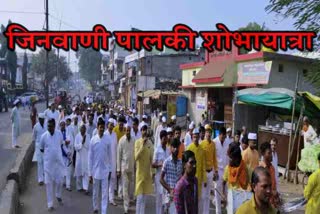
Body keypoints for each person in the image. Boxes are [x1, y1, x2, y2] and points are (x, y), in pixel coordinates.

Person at [39, 119, 65, 211]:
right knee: (49, 184)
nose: (49, 128)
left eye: (51, 126)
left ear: (54, 126)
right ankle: (50, 204)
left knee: (60, 181)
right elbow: (41, 149)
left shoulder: (59, 134)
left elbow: (61, 145)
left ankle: (58, 194)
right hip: (48, 165)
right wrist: (49, 156)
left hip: (58, 164)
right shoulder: (43, 136)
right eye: (48, 126)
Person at [88, 119, 112, 214]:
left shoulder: (108, 140)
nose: (101, 129)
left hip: (105, 171)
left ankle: (104, 211)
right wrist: (90, 173)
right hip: (95, 171)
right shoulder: (93, 140)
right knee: (95, 192)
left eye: (103, 127)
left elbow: (110, 156)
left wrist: (110, 170)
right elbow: (90, 158)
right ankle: (95, 208)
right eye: (100, 127)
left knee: (104, 194)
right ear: (97, 127)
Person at [223, 142, 252, 213]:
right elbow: (223, 182)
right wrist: (224, 195)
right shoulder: (227, 168)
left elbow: (252, 184)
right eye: (229, 158)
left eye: (231, 158)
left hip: (244, 202)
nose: (230, 160)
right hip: (231, 201)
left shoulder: (246, 168)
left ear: (237, 158)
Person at [134, 125, 154, 214]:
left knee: (144, 198)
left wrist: (152, 172)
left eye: (145, 130)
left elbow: (151, 158)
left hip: (147, 175)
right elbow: (136, 157)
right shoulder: (137, 142)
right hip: (139, 173)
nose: (144, 132)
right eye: (142, 130)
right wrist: (142, 145)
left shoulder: (150, 143)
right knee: (139, 198)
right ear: (140, 131)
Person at [160, 138, 183, 214]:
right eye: (174, 147)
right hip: (169, 196)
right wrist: (169, 189)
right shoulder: (166, 162)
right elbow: (161, 179)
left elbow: (182, 178)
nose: (176, 149)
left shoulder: (181, 162)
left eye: (177, 147)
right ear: (171, 148)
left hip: (179, 195)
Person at [187, 127, 206, 213]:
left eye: (197, 136)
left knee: (199, 200)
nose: (195, 138)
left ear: (199, 137)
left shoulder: (202, 149)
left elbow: (203, 165)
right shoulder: (189, 148)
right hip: (190, 178)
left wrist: (204, 179)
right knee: (190, 199)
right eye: (194, 137)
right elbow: (186, 164)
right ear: (192, 137)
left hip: (199, 179)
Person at [200, 124, 219, 214]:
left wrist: (216, 171)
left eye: (210, 132)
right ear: (205, 133)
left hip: (210, 172)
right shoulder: (201, 144)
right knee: (203, 195)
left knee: (208, 195)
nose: (208, 134)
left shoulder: (213, 144)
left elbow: (215, 158)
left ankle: (206, 212)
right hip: (203, 172)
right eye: (207, 132)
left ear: (211, 134)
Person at [117, 124, 135, 214]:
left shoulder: (133, 140)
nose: (128, 132)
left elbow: (135, 153)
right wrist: (118, 169)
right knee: (124, 187)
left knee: (130, 187)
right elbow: (118, 156)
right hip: (124, 167)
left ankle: (129, 201)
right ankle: (126, 207)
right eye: (126, 130)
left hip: (131, 167)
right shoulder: (121, 141)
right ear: (125, 130)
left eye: (129, 130)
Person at [152, 130, 170, 214]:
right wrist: (159, 164)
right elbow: (153, 164)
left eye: (166, 138)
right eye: (164, 139)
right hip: (159, 177)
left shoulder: (168, 149)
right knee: (159, 199)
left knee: (166, 199)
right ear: (161, 139)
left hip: (167, 177)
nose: (166, 140)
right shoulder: (157, 150)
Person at [213, 126, 230, 214]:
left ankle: (228, 210)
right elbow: (213, 158)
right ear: (219, 134)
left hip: (226, 169)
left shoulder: (228, 141)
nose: (223, 138)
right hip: (218, 169)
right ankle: (218, 211)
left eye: (224, 136)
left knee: (226, 190)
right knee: (217, 190)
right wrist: (214, 171)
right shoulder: (214, 142)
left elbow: (229, 155)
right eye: (222, 136)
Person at [259, 142, 281, 208]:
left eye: (271, 152)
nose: (271, 155)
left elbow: (274, 184)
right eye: (269, 153)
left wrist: (276, 195)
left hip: (272, 203)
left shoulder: (272, 168)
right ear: (263, 154)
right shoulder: (261, 169)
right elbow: (261, 189)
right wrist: (272, 193)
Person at [105, 118, 118, 206]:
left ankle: (111, 198)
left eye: (113, 125)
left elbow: (116, 148)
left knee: (112, 180)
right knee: (105, 179)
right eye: (110, 124)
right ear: (107, 125)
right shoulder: (105, 134)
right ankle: (105, 197)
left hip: (113, 160)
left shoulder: (114, 135)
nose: (111, 126)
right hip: (105, 161)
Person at [74, 124, 90, 195]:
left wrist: (84, 143)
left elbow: (89, 146)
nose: (83, 130)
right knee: (79, 171)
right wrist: (81, 143)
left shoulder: (88, 136)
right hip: (79, 156)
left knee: (86, 172)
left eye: (84, 128)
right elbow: (75, 147)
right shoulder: (77, 136)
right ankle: (79, 187)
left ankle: (85, 188)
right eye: (81, 128)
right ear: (80, 129)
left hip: (86, 156)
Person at [31, 112, 47, 185]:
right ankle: (40, 179)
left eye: (43, 119)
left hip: (45, 146)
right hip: (38, 146)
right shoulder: (36, 126)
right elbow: (33, 137)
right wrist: (36, 146)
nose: (42, 120)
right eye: (41, 119)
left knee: (45, 162)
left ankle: (45, 176)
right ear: (39, 119)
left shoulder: (46, 126)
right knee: (40, 162)